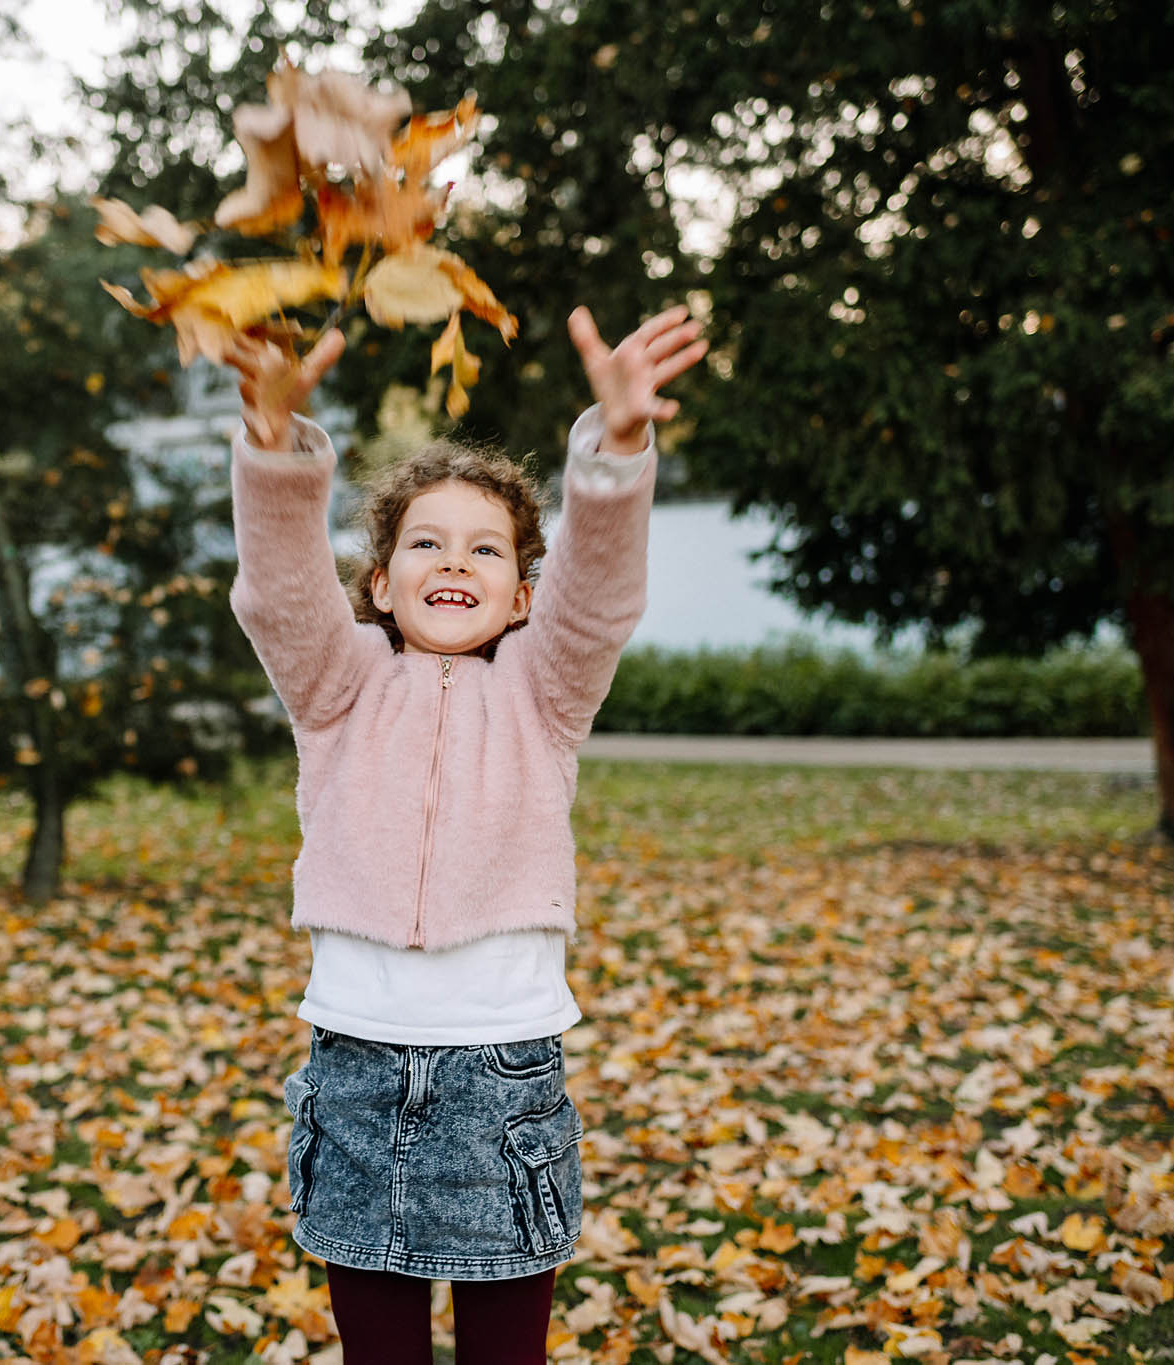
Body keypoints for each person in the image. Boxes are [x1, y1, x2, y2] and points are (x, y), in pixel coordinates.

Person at [223, 303, 706, 1364]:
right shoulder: (335, 684)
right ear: (379, 585)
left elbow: (597, 598)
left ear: (521, 594)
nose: (455, 559)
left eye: (486, 548)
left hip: (502, 1076)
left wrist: (615, 451)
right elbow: (278, 593)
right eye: (425, 543)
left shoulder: (545, 689)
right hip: (353, 1063)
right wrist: (269, 449)